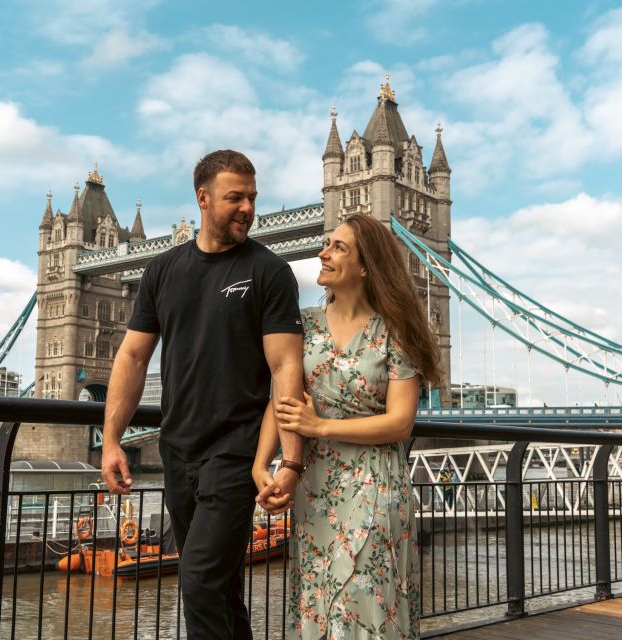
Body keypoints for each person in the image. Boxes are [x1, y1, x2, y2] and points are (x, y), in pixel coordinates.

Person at [100, 149, 305, 639]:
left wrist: (290, 462)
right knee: (220, 586)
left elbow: (286, 368)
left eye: (252, 198)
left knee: (196, 580)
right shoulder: (162, 270)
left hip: (236, 451)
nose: (248, 209)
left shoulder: (269, 272)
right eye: (235, 197)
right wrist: (111, 441)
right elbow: (131, 358)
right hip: (177, 449)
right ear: (203, 198)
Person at [255, 213, 442, 639]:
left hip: (375, 484)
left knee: (367, 599)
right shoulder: (302, 324)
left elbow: (400, 422)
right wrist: (263, 464)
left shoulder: (395, 331)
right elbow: (282, 400)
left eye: (338, 247)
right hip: (315, 488)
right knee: (319, 601)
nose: (323, 252)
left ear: (365, 266)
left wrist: (318, 426)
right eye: (326, 244)